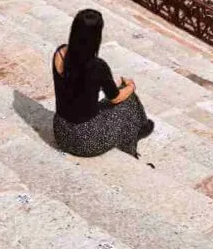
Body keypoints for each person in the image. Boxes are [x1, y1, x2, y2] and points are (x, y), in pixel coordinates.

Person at [52, 9, 153, 158]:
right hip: (87, 141)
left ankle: (139, 127)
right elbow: (115, 98)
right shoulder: (97, 66)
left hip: (61, 132)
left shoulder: (59, 54)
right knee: (129, 98)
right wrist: (130, 87)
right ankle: (140, 129)